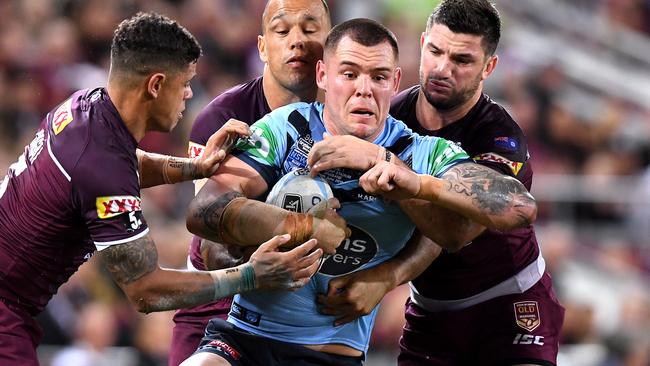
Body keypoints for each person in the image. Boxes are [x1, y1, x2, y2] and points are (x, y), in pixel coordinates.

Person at [182, 18, 536, 366]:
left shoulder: (424, 153)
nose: (364, 89)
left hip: (334, 355)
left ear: (395, 82)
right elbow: (204, 211)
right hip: (243, 340)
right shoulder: (286, 128)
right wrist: (297, 230)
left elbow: (517, 208)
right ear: (323, 76)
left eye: (379, 77)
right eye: (349, 74)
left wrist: (407, 179)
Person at [0, 12, 323, 366]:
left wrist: (196, 168)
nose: (188, 94)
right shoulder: (99, 163)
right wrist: (251, 275)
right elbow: (145, 291)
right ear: (155, 85)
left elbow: (127, 163)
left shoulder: (86, 106)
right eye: (184, 83)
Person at [315, 1, 565, 365]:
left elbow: (454, 232)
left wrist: (388, 277)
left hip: (509, 301)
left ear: (488, 67)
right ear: (421, 44)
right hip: (430, 309)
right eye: (434, 51)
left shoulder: (498, 138)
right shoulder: (389, 115)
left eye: (462, 61)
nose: (442, 69)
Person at [169, 0, 333, 364]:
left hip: (307, 318)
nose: (297, 41)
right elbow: (212, 241)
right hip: (216, 303)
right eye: (281, 30)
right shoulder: (221, 118)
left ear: (330, 43)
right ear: (261, 47)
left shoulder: (348, 118)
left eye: (310, 29)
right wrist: (256, 267)